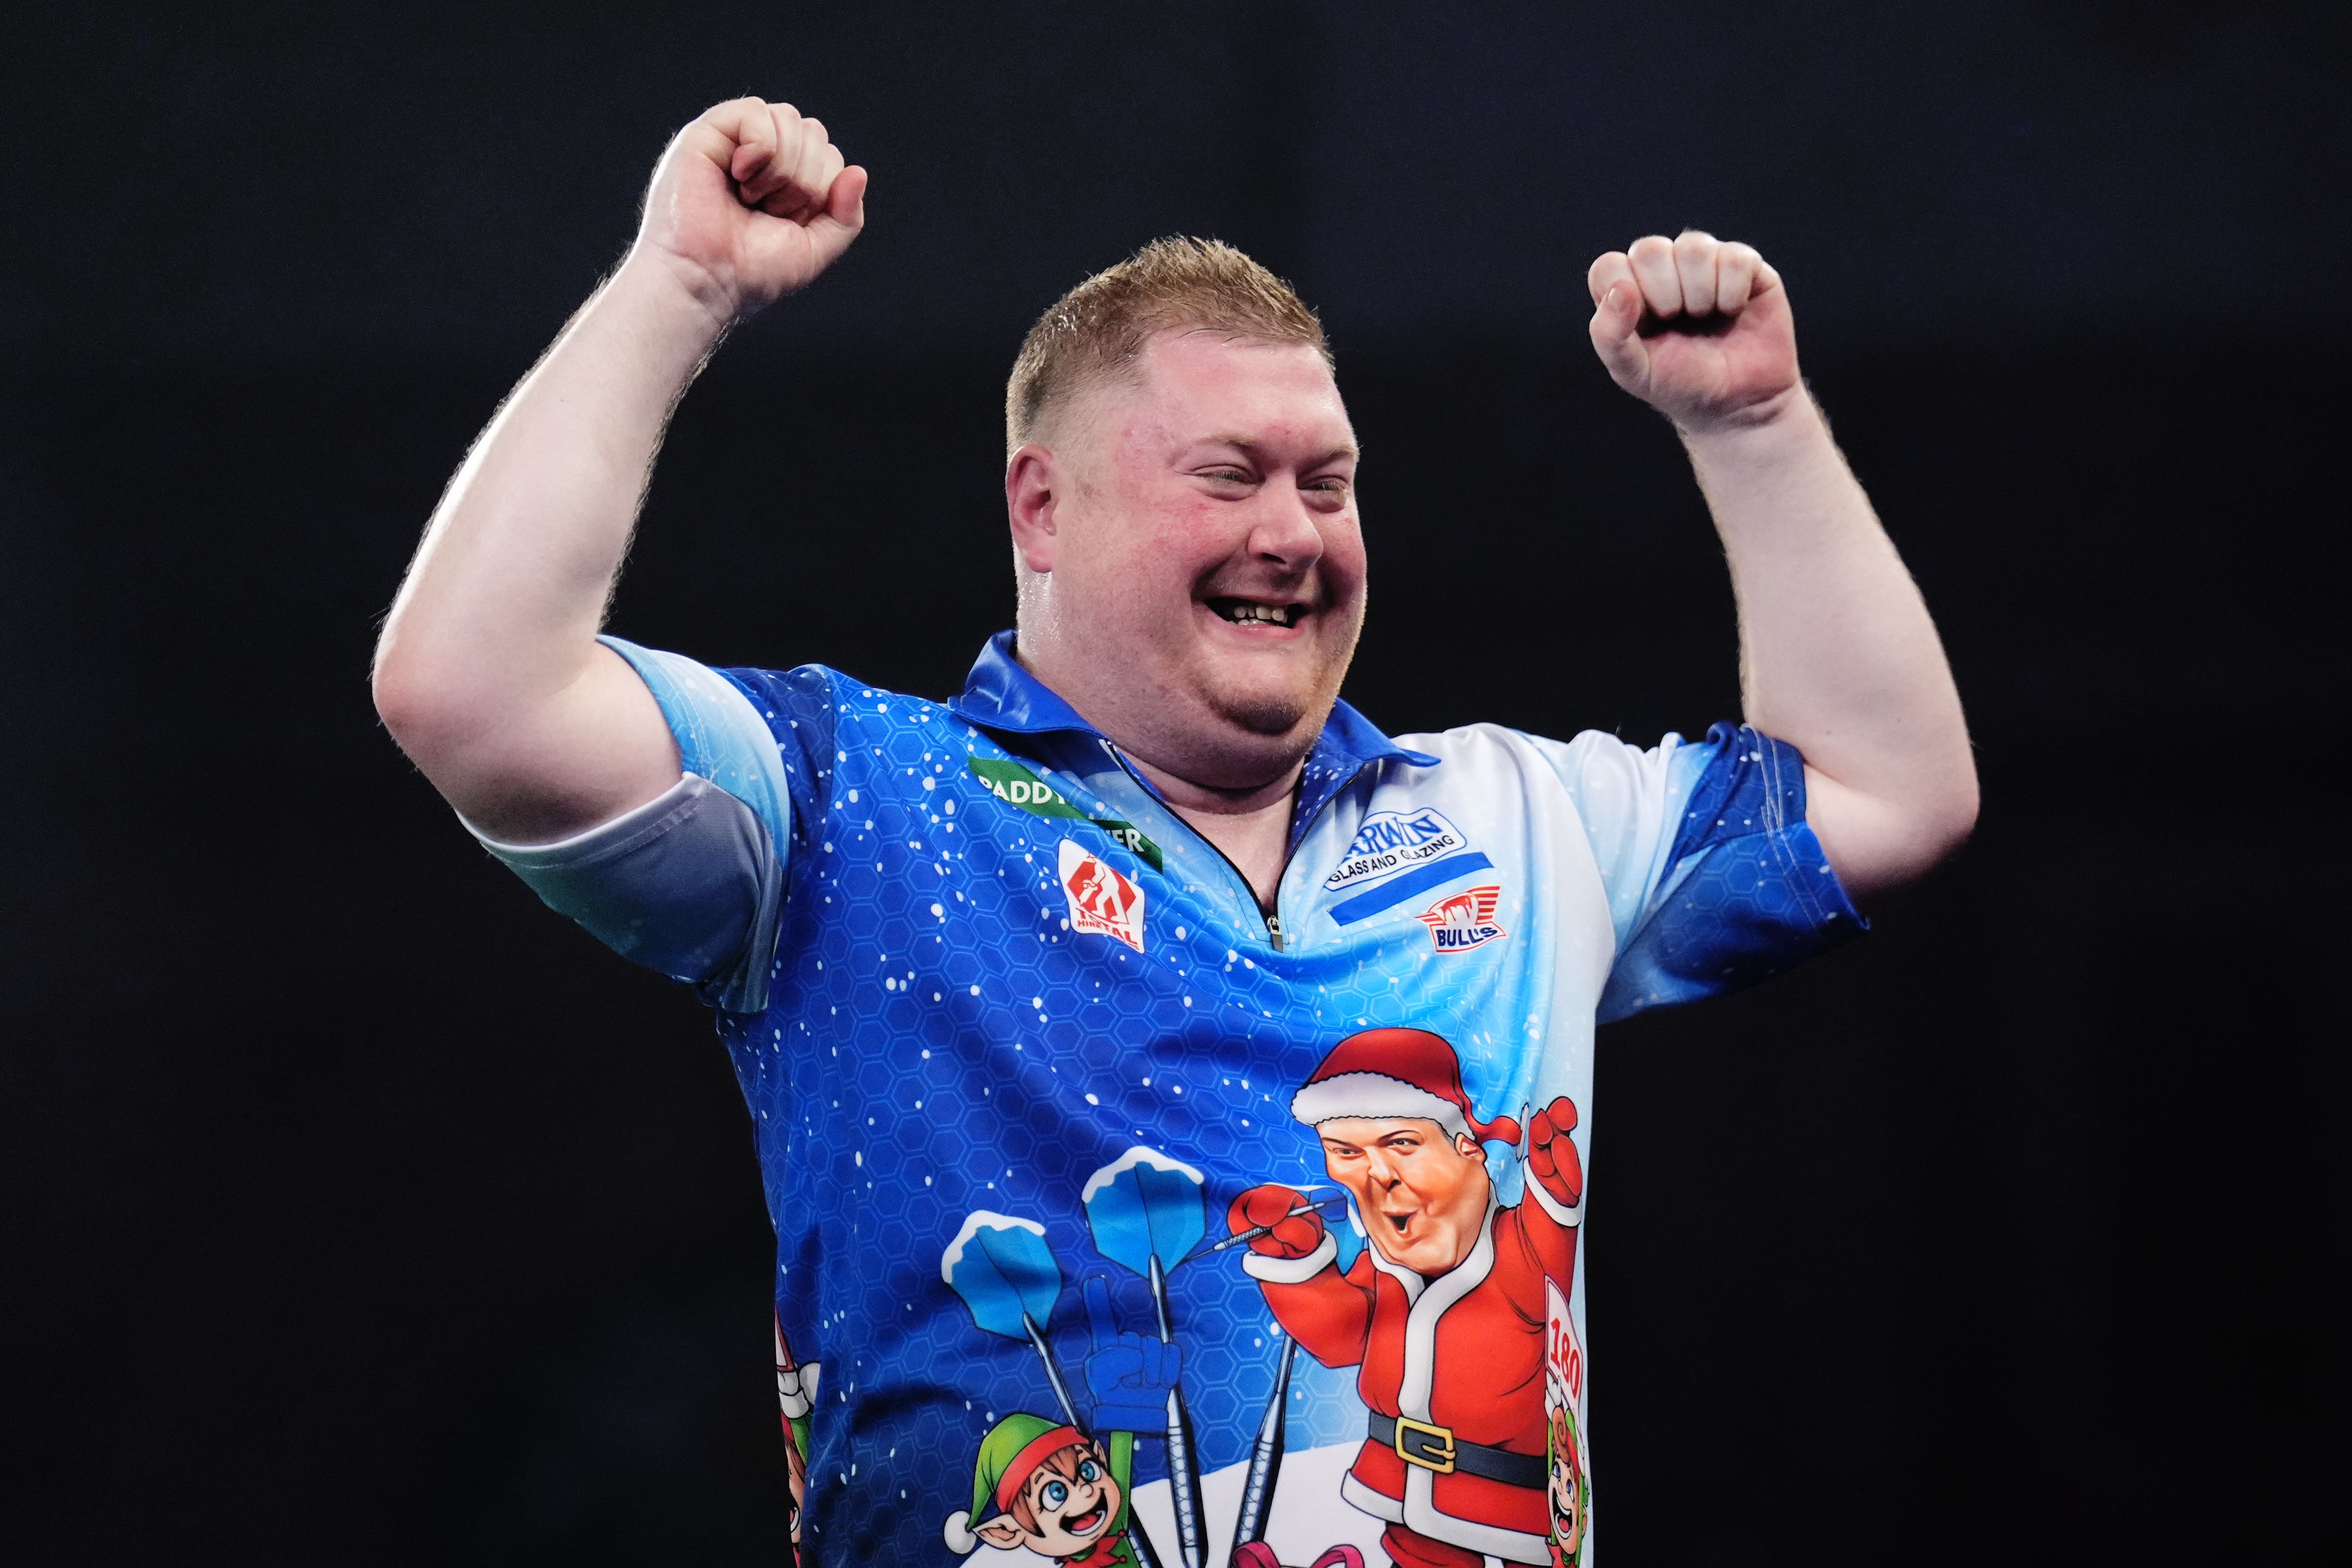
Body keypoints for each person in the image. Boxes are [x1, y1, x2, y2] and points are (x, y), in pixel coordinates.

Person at [372, 97, 1976, 1567]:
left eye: (1329, 484)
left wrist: (1753, 429)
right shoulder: (855, 803)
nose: (1291, 531)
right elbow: (471, 691)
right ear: (1042, 508)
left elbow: (1889, 793)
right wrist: (678, 289)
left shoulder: (1515, 819)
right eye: (1229, 476)